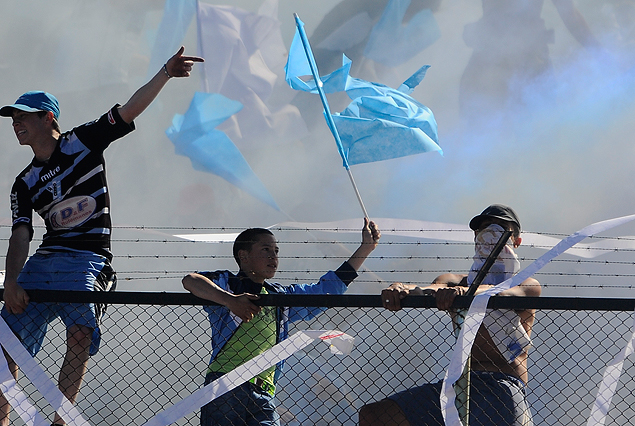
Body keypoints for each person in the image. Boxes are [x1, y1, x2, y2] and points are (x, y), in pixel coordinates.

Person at [0, 46, 203, 426]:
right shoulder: (22, 183)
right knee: (4, 350)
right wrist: (11, 281)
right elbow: (20, 237)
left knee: (79, 335)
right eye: (11, 118)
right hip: (44, 262)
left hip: (87, 259)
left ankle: (62, 421)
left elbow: (128, 110)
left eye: (22, 116)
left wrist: (165, 72)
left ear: (48, 118)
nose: (14, 123)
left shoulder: (81, 142)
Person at [182, 218, 381, 426]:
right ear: (244, 256)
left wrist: (365, 249)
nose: (273, 256)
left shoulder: (281, 297)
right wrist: (230, 301)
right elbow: (191, 280)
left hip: (265, 393)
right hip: (225, 387)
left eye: (276, 251)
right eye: (266, 249)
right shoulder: (228, 284)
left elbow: (326, 290)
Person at [359, 204, 541, 426]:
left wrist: (465, 295)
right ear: (475, 236)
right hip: (461, 383)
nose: (490, 233)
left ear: (517, 241)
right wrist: (402, 288)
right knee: (375, 416)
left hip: (501, 386)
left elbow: (503, 294)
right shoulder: (455, 282)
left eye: (500, 227)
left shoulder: (527, 284)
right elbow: (428, 290)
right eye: (484, 228)